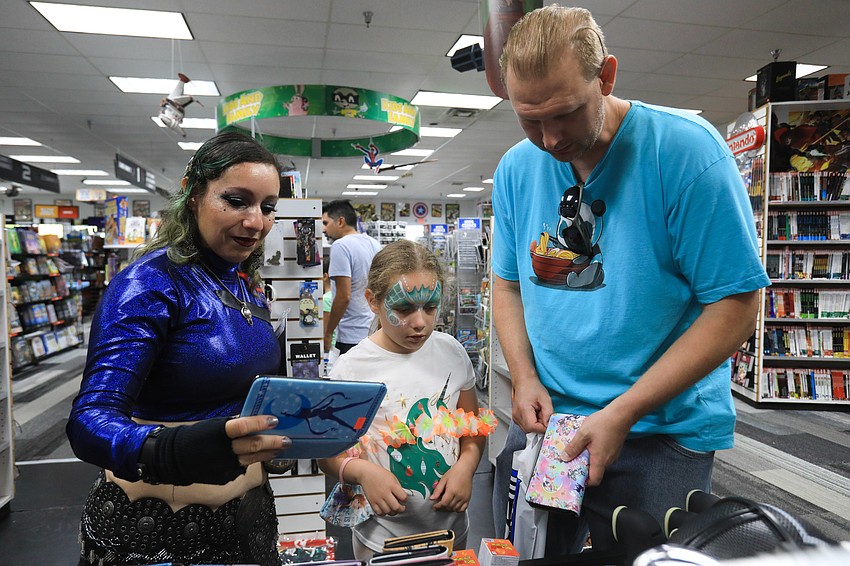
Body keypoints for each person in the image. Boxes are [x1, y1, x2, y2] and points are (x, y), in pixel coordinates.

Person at [490, 4, 771, 555]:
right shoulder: (515, 169)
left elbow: (736, 305)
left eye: (564, 114)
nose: (548, 139)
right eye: (529, 119)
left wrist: (623, 411)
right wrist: (523, 377)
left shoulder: (687, 153)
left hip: (659, 432)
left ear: (607, 76)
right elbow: (507, 284)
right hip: (551, 424)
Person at [66, 131, 290, 566]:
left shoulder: (244, 282)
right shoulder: (149, 283)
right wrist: (168, 450)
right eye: (237, 200)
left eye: (267, 207)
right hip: (155, 531)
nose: (256, 222)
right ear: (193, 195)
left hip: (248, 522)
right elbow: (89, 420)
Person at [319, 240, 491, 561]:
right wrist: (363, 473)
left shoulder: (452, 352)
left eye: (430, 306)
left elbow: (473, 426)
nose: (420, 322)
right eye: (403, 309)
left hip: (451, 529)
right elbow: (329, 455)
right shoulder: (352, 370)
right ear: (372, 300)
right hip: (383, 539)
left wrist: (466, 467)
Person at [321, 199, 381, 355]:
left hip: (351, 335)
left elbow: (343, 296)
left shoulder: (341, 246)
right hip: (374, 330)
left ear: (340, 221)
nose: (323, 229)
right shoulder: (373, 243)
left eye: (326, 223)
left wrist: (328, 333)